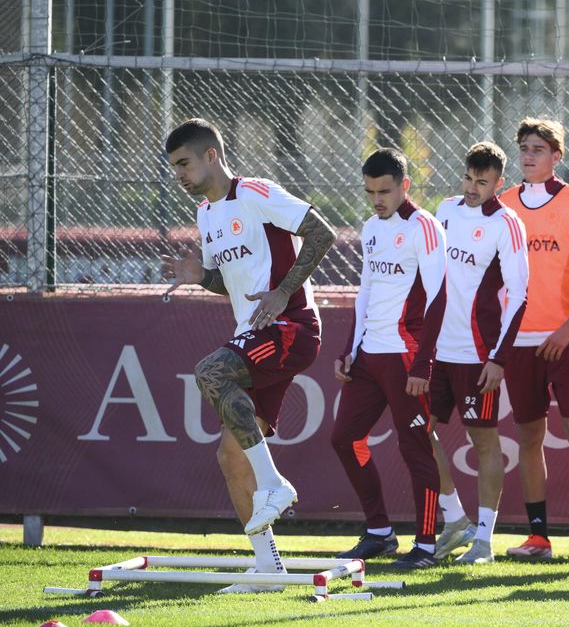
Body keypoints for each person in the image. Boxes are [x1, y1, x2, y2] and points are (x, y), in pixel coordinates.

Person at [161, 118, 336, 593]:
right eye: (174, 166)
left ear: (211, 155)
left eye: (184, 163)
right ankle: (268, 568)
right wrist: (200, 275)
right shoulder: (205, 213)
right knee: (231, 457)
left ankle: (275, 484)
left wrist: (282, 291)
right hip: (254, 333)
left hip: (291, 326)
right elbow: (228, 282)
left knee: (210, 372)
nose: (179, 174)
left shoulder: (256, 192)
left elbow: (322, 233)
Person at [499, 117, 569, 561]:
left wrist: (567, 329)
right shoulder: (504, 204)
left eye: (538, 149)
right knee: (529, 436)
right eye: (524, 148)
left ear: (556, 156)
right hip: (520, 341)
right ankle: (538, 537)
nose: (529, 156)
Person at [330, 148, 446, 569]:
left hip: (404, 355)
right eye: (370, 192)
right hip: (368, 356)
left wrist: (423, 363)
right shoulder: (370, 227)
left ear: (404, 186)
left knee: (415, 448)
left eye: (384, 191)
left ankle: (426, 546)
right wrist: (349, 349)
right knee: (345, 439)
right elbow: (366, 291)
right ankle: (379, 533)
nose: (376, 199)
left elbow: (438, 298)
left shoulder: (424, 226)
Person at [427, 142, 529, 564]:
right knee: (418, 430)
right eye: (468, 178)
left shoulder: (507, 224)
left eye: (482, 182)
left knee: (484, 441)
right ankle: (454, 519)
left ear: (498, 183)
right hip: (435, 352)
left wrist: (498, 358)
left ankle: (484, 541)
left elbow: (519, 295)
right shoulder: (445, 210)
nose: (472, 188)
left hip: (477, 355)